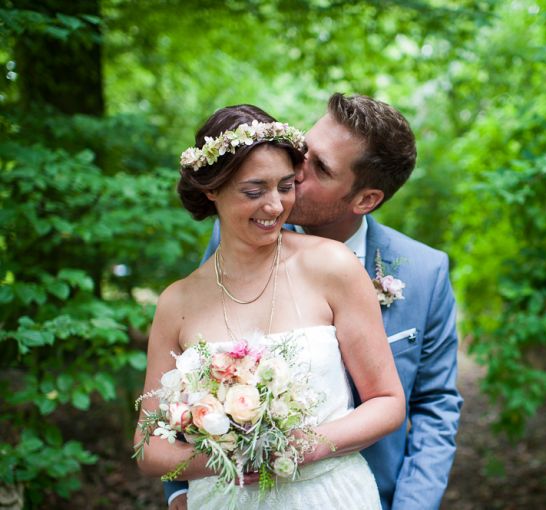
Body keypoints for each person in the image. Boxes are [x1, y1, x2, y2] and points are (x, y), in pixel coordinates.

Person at [166, 93, 463, 510]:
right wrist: (181, 491)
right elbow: (191, 364)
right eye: (304, 150)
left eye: (320, 168)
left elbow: (435, 406)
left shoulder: (424, 272)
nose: (295, 169)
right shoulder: (237, 234)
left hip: (366, 494)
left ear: (365, 200)